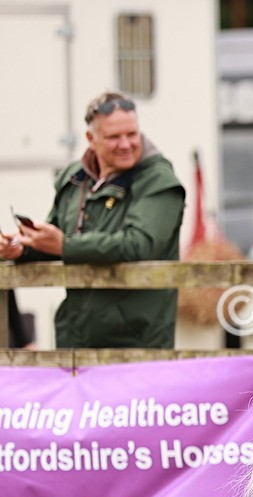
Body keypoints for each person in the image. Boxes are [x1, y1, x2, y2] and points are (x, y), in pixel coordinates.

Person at [0, 90, 184, 348]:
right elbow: (52, 241)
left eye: (132, 134)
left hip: (137, 344)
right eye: (114, 137)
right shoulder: (73, 178)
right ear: (91, 138)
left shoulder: (159, 181)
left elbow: (139, 245)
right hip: (74, 339)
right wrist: (19, 249)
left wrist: (65, 246)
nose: (126, 144)